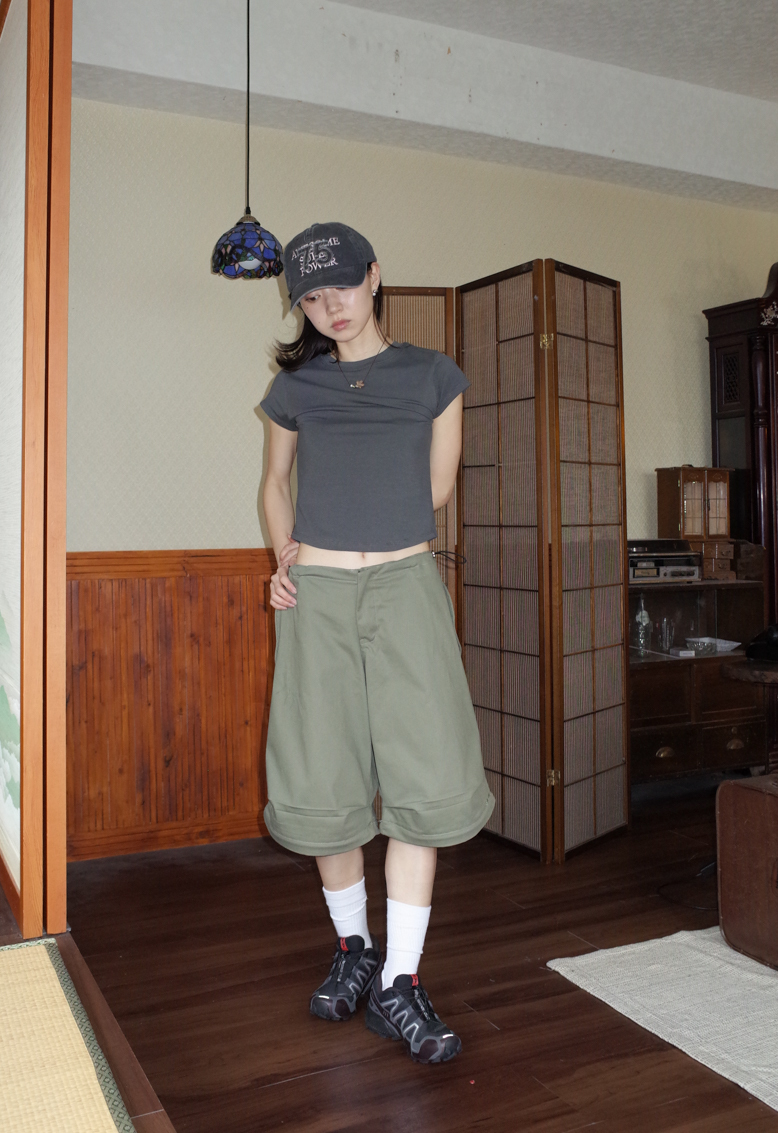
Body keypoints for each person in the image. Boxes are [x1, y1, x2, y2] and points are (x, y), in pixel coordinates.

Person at [260, 222, 495, 1065]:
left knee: (422, 774)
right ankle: (354, 947)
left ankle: (400, 979)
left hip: (405, 586)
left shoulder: (434, 375)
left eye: (343, 288)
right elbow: (274, 482)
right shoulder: (295, 387)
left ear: (375, 277)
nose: (331, 307)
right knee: (323, 777)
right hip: (316, 596)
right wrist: (283, 559)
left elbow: (435, 488)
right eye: (312, 297)